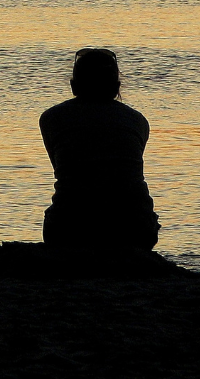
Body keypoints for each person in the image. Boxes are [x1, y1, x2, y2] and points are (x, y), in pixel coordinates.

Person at [39, 48, 160, 250]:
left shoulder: (51, 118)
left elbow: (62, 168)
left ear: (73, 86)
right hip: (135, 229)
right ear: (116, 87)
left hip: (69, 229)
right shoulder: (138, 121)